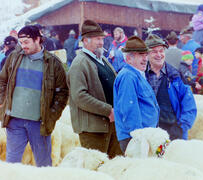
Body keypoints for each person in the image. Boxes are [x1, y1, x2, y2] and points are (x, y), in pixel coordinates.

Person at [0, 25, 68, 166]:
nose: (23, 46)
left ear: (37, 39)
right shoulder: (13, 58)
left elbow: (62, 92)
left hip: (39, 123)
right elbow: (2, 81)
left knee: (43, 165)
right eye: (21, 42)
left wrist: (52, 115)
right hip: (14, 121)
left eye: (26, 42)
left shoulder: (53, 63)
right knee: (12, 165)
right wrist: (3, 102)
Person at [67, 20, 122, 158]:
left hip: (110, 125)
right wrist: (107, 110)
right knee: (96, 169)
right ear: (85, 40)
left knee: (114, 166)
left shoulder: (102, 60)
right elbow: (79, 96)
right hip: (92, 129)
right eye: (97, 39)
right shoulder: (79, 63)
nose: (101, 43)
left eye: (102, 39)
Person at [145, 34, 197, 140]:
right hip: (149, 134)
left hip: (173, 132)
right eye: (154, 51)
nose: (159, 55)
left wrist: (181, 127)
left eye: (161, 51)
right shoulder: (141, 76)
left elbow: (189, 104)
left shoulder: (175, 76)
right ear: (146, 54)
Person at [113, 36, 160, 152]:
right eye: (140, 55)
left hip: (145, 136)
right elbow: (129, 110)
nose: (145, 59)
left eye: (145, 55)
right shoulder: (128, 77)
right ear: (128, 59)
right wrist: (139, 140)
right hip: (136, 139)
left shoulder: (137, 75)